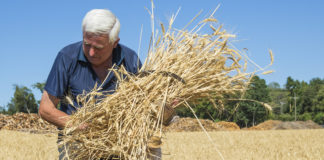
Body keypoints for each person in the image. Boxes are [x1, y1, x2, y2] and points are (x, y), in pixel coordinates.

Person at [38, 9, 150, 159]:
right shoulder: (66, 57)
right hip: (78, 146)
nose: (91, 52)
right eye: (87, 44)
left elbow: (145, 104)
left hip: (119, 147)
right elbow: (46, 108)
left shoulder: (130, 60)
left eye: (98, 47)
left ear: (115, 43)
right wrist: (75, 124)